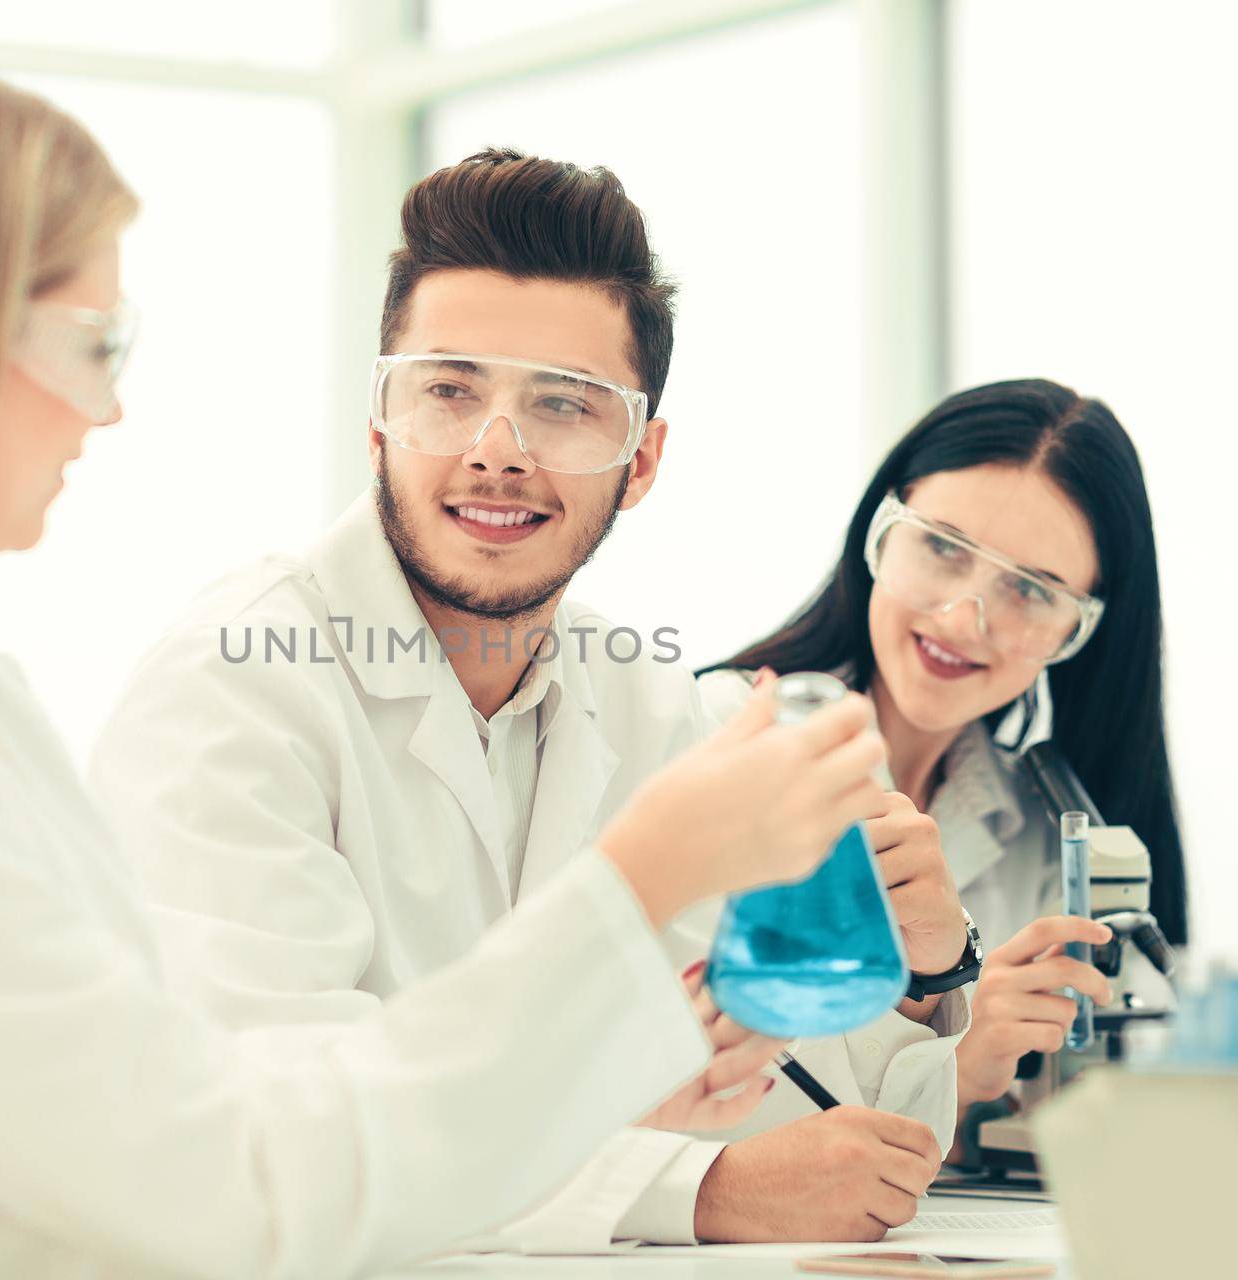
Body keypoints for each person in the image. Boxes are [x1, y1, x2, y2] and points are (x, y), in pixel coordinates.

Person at [0, 60, 892, 1278]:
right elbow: (243, 1188)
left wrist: (604, 1062)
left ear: (644, 454)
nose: (109, 410)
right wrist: (640, 882)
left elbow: (181, 1097)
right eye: (98, 342)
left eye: (563, 405)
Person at [89, 149, 966, 1249]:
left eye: (564, 405)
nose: (495, 452)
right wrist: (690, 1191)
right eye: (449, 391)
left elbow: (812, 1105)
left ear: (641, 461)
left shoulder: (654, 704)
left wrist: (931, 963)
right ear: (378, 422)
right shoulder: (234, 685)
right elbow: (279, 1128)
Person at [699, 378, 1187, 1139]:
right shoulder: (719, 736)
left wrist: (1004, 1078)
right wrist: (958, 1067)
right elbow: (715, 1113)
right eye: (942, 547)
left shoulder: (1044, 841)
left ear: (1078, 632)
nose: (964, 618)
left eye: (1031, 590)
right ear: (881, 532)